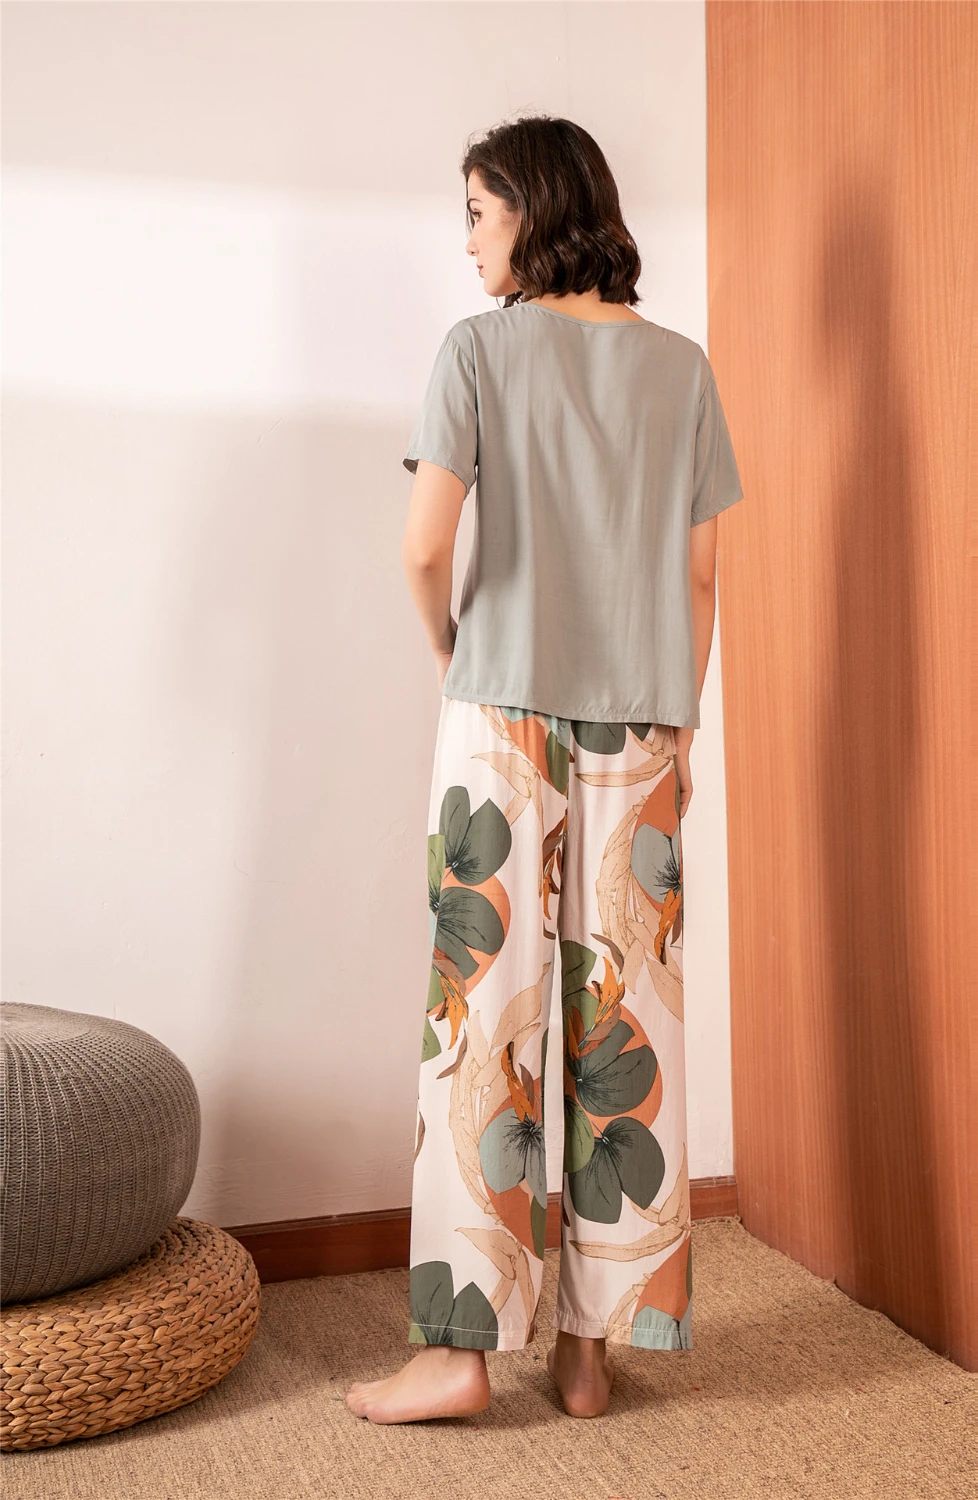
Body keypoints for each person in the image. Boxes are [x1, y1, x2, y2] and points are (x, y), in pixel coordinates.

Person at [346, 113, 743, 1425]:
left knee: (483, 1026)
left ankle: (460, 1354)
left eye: (477, 211)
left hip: (502, 717)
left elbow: (423, 547)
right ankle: (590, 1351)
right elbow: (699, 576)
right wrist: (679, 724)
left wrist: (453, 647)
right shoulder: (681, 368)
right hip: (644, 725)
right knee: (626, 1025)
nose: (467, 241)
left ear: (532, 207)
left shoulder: (478, 350)